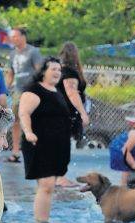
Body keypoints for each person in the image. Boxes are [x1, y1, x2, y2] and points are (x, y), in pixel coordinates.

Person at [18, 57, 72, 223]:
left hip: (55, 146)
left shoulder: (57, 91)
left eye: (59, 69)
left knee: (48, 186)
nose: (57, 72)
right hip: (38, 144)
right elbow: (23, 113)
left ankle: (43, 220)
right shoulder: (34, 91)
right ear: (43, 72)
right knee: (47, 185)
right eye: (53, 69)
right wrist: (28, 132)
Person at [5, 27, 42, 164]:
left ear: (23, 36)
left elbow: (40, 71)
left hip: (32, 90)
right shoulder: (13, 53)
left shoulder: (33, 51)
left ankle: (36, 149)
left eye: (15, 36)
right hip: (18, 90)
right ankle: (15, 151)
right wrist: (5, 88)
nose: (13, 39)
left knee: (34, 119)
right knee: (15, 120)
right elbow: (10, 73)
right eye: (11, 37)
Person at [57, 41, 90, 177]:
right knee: (63, 145)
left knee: (62, 144)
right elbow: (71, 92)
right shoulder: (69, 72)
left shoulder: (59, 70)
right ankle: (60, 177)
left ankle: (59, 176)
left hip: (60, 111)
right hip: (66, 113)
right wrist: (83, 113)